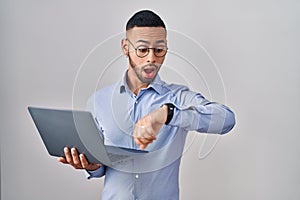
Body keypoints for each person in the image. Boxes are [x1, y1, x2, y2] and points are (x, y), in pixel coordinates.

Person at [58, 10, 235, 200]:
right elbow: (101, 164)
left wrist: (167, 114)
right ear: (125, 47)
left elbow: (226, 119)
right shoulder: (98, 101)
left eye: (159, 50)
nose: (151, 58)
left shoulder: (178, 97)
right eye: (142, 50)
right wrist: (91, 166)